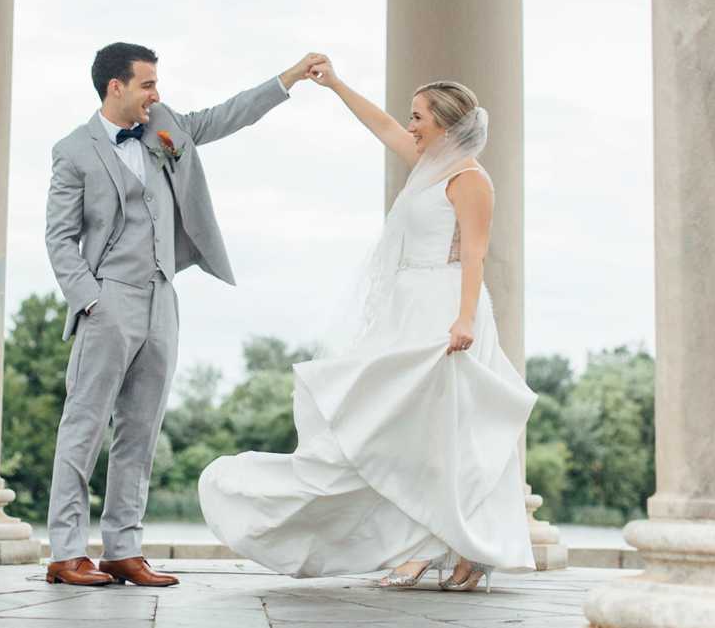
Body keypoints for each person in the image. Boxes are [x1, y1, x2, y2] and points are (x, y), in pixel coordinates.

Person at [198, 57, 535, 592]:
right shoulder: (427, 164)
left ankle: (456, 548)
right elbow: (379, 124)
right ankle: (427, 545)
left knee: (443, 433)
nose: (410, 125)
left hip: (444, 310)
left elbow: (475, 253)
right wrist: (334, 85)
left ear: (445, 123)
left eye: (419, 116)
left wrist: (465, 318)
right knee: (385, 426)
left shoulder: (471, 179)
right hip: (404, 307)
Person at [41, 42, 327, 588]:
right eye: (147, 84)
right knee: (84, 427)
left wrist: (289, 78)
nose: (157, 93)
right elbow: (59, 237)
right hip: (108, 298)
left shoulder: (165, 126)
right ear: (115, 87)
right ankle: (66, 552)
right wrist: (90, 299)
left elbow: (225, 116)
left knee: (141, 430)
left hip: (162, 297)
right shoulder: (73, 151)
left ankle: (123, 548)